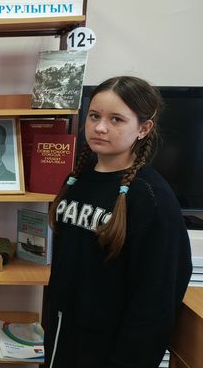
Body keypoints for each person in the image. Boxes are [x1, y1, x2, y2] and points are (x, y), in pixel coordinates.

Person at [45, 76, 192, 368]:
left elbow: (157, 296)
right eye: (94, 116)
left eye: (116, 119)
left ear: (143, 128)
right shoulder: (78, 179)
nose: (100, 127)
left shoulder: (151, 197)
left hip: (112, 350)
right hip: (64, 336)